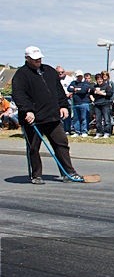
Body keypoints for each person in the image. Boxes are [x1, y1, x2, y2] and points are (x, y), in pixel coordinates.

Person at [11, 46, 83, 184]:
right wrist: (27, 110)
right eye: (34, 59)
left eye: (39, 58)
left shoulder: (49, 71)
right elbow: (19, 95)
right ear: (27, 59)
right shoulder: (21, 74)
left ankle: (68, 173)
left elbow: (58, 91)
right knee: (33, 147)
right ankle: (36, 175)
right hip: (33, 118)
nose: (38, 60)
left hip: (52, 116)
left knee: (61, 143)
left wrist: (63, 106)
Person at [68, 70, 92, 137]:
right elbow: (69, 89)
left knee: (84, 118)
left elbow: (83, 91)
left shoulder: (85, 83)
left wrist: (75, 89)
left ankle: (84, 131)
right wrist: (77, 89)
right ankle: (77, 131)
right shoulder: (73, 82)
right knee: (76, 118)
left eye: (80, 76)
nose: (79, 77)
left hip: (84, 103)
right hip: (75, 103)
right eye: (78, 76)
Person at [92, 72, 114, 138]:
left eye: (101, 79)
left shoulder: (107, 86)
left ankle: (107, 132)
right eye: (98, 79)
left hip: (105, 104)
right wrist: (93, 99)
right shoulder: (95, 87)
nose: (99, 80)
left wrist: (101, 93)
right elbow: (90, 93)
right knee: (98, 120)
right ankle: (99, 132)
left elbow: (110, 94)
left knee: (106, 119)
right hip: (97, 104)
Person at [55, 66, 73, 133]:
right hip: (57, 99)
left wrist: (70, 93)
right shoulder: (54, 79)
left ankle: (67, 129)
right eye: (59, 72)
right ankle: (60, 130)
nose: (60, 73)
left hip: (67, 98)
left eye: (62, 72)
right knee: (59, 115)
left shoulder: (70, 79)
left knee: (67, 114)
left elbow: (73, 88)